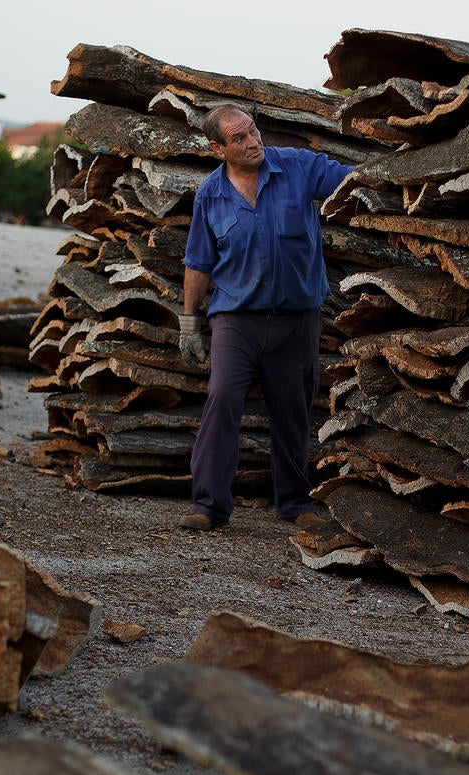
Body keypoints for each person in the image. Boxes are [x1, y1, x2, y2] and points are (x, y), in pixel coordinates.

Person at [177, 104, 352, 531]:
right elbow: (198, 262)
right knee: (221, 398)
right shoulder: (211, 195)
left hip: (297, 317)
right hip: (236, 319)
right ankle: (208, 506)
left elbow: (355, 179)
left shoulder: (297, 168)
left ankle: (295, 505)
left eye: (253, 132)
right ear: (218, 148)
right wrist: (188, 323)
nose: (253, 142)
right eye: (238, 138)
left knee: (292, 410)